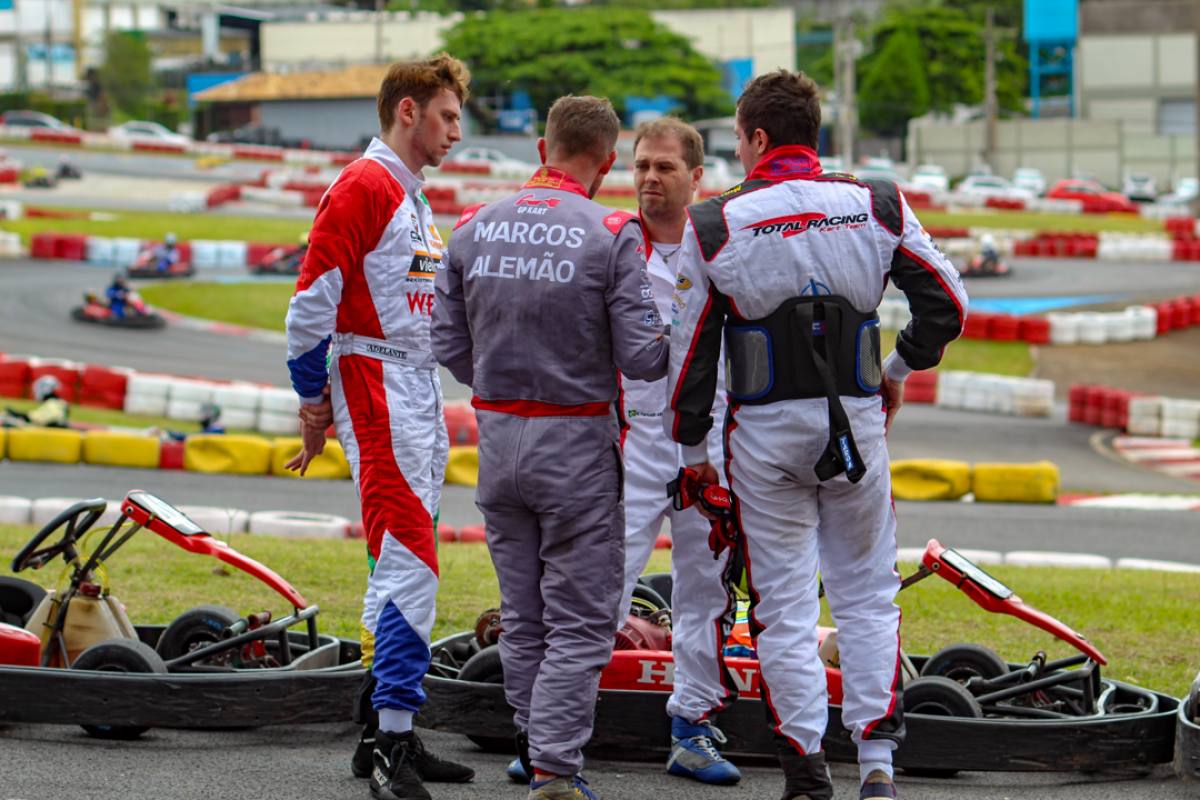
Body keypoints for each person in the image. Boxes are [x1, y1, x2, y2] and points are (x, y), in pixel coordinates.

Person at [664, 70, 968, 800]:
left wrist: (693, 457)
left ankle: (806, 772)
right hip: (858, 426)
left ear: (758, 138)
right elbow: (949, 302)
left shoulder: (714, 223)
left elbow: (689, 359)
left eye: (739, 140)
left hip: (763, 439)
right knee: (868, 598)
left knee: (786, 609)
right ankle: (878, 771)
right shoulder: (877, 201)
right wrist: (894, 367)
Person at [432, 95, 669, 800]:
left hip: (497, 438)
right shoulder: (611, 231)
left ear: (542, 146)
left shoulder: (473, 227)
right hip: (576, 445)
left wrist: (502, 380)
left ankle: (537, 750)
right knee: (584, 621)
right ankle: (555, 771)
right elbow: (644, 358)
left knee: (525, 615)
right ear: (604, 161)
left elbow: (446, 343)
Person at [283, 53, 475, 800]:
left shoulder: (411, 194)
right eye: (448, 115)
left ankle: (383, 728)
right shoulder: (366, 185)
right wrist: (312, 404)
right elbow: (309, 306)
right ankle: (394, 741)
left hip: (414, 387)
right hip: (374, 383)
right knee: (412, 565)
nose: (457, 130)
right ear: (407, 111)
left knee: (404, 559)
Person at [620, 117, 740, 786]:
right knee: (600, 582)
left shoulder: (723, 245)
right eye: (640, 165)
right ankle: (553, 733)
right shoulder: (611, 244)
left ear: (697, 178)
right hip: (633, 439)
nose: (649, 178)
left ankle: (692, 727)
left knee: (705, 591)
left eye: (664, 167)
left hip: (712, 446)